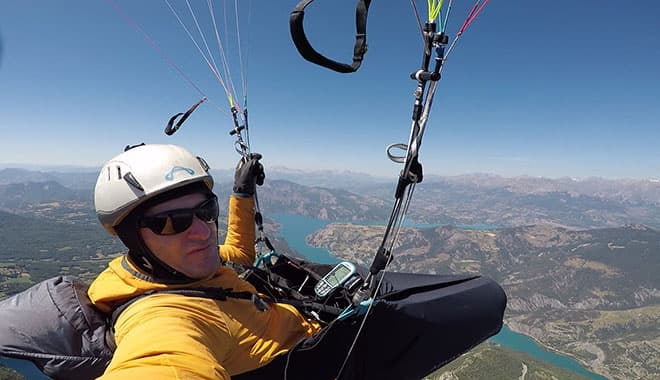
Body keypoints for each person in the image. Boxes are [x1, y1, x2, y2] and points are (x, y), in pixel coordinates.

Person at [88, 143, 321, 379]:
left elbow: (239, 254)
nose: (203, 231)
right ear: (133, 237)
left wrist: (242, 194)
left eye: (207, 210)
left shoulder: (184, 266)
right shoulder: (162, 319)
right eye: (172, 221)